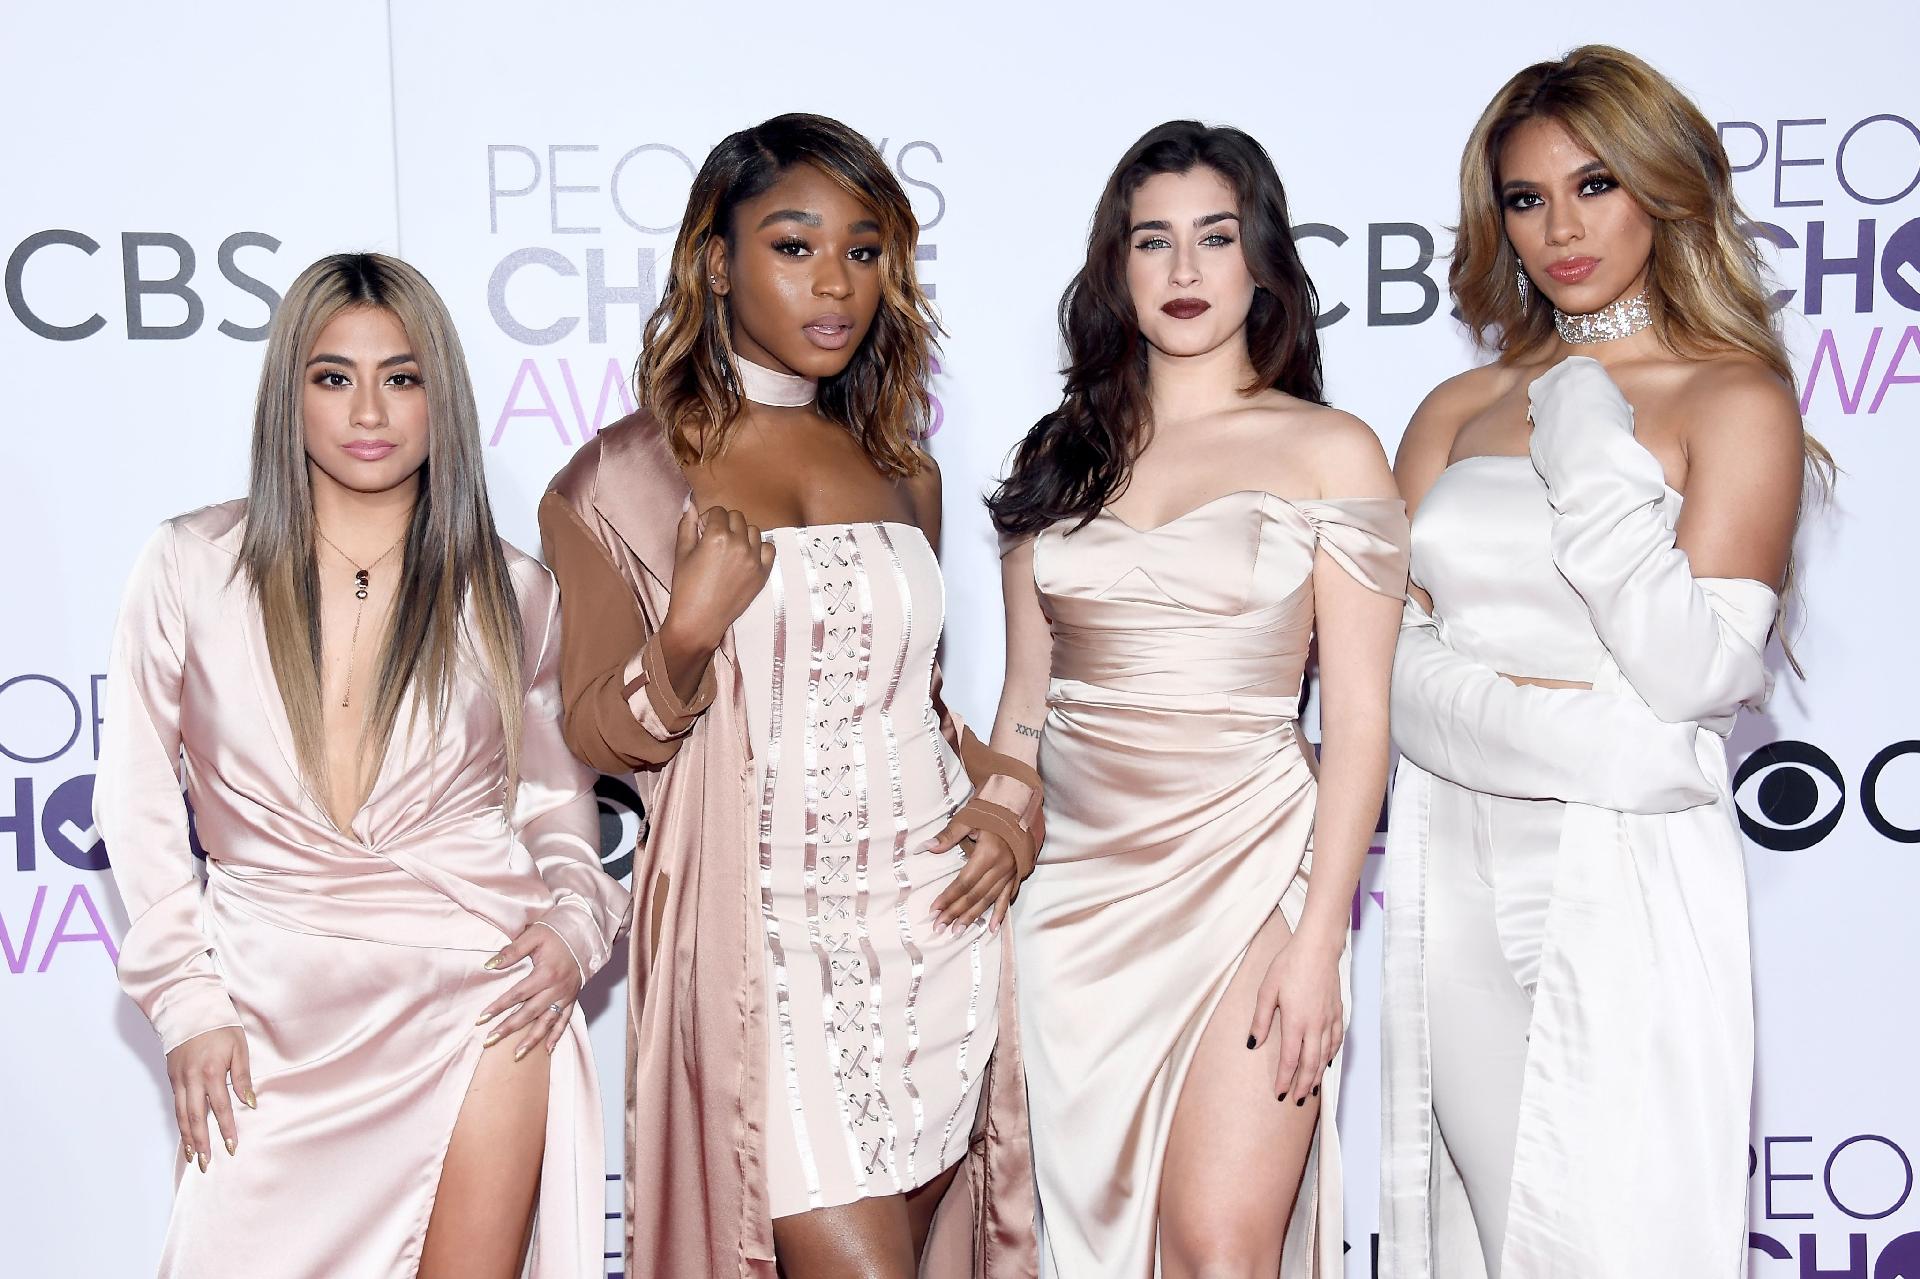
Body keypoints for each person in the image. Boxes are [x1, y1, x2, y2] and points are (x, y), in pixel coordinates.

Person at [538, 113, 1038, 1279]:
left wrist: (1013, 807)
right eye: (794, 245)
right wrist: (686, 632)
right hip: (765, 943)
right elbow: (596, 732)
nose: (836, 283)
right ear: (718, 261)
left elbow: (918, 701)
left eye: (864, 252)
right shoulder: (621, 476)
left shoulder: (904, 465)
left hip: (932, 922)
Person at [1379, 45, 1832, 1277]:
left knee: (1614, 1245)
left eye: (1594, 186)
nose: (1560, 228)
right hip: (1455, 866)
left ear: (1660, 190)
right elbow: (1384, 669)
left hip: (1626, 873)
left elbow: (1691, 674)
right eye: (1527, 199)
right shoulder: (1455, 409)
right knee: (1488, 1236)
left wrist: (1587, 431)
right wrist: (1589, 738)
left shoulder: (1731, 397)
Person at [97, 252, 627, 1278]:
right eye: (333, 375)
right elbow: (136, 800)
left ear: (442, 397)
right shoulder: (190, 565)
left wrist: (574, 917)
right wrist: (187, 1002)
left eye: (404, 374)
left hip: (479, 992)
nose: (370, 408)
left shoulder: (513, 592)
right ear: (287, 394)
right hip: (259, 1007)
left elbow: (559, 805)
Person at [986, 120, 1408, 1278]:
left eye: (1215, 239)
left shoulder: (1332, 449)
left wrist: (1320, 938)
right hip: (1069, 907)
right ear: (1113, 269)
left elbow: (1361, 722)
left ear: (1262, 258)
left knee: (1220, 1249)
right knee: (1073, 1246)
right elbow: (1025, 706)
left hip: (1249, 886)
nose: (1183, 273)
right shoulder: (1060, 454)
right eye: (1152, 242)